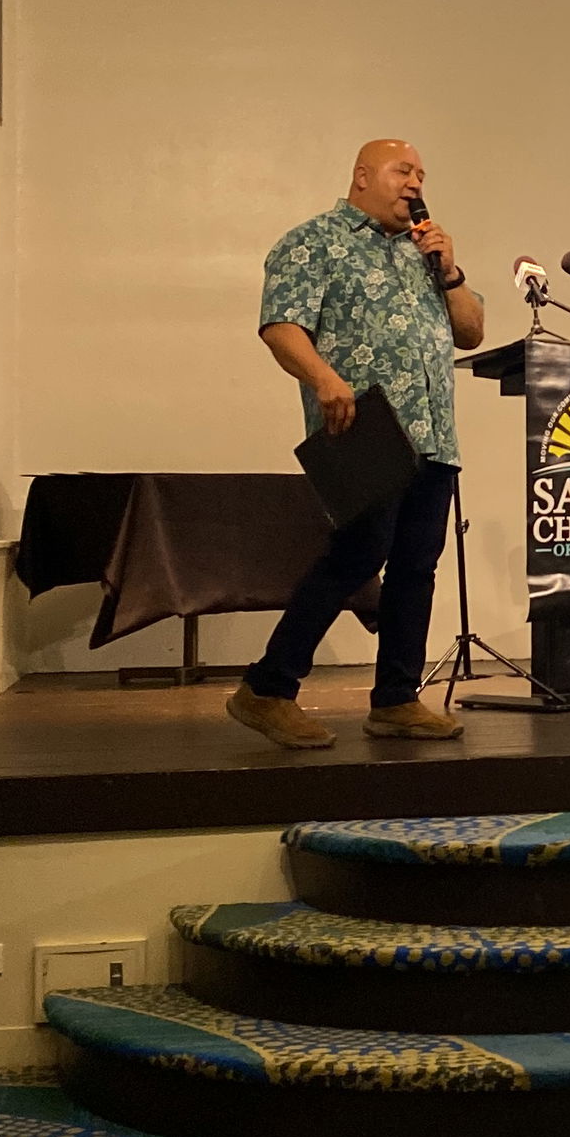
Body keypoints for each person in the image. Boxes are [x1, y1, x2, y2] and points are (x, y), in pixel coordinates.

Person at [226, 138, 485, 750]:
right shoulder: (312, 241)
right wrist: (322, 378)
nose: (415, 182)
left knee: (416, 567)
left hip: (433, 433)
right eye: (403, 170)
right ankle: (268, 687)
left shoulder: (428, 256)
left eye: (422, 173)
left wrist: (449, 270)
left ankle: (396, 698)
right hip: (363, 429)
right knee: (358, 554)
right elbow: (280, 325)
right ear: (363, 176)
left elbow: (471, 331)